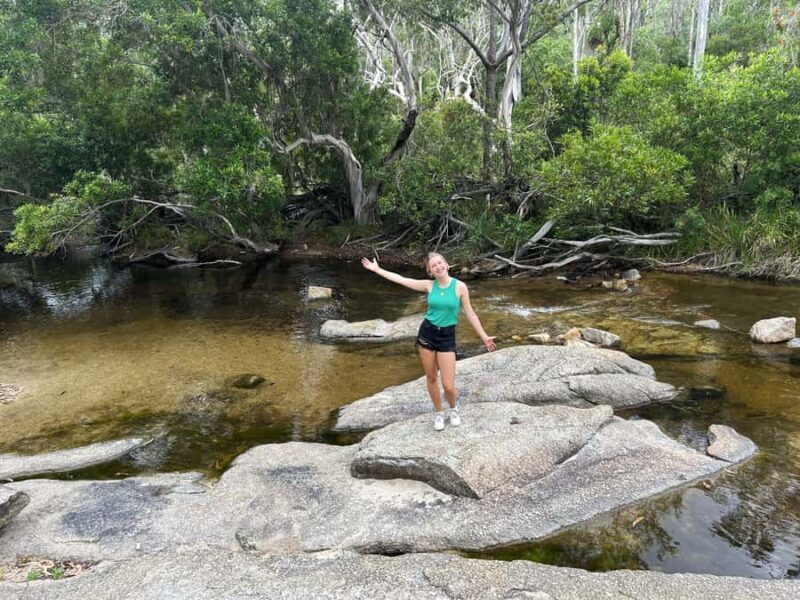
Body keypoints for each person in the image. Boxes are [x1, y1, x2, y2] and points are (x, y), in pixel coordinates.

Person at [361, 252, 496, 431]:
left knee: (448, 385)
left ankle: (453, 409)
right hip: (427, 334)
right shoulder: (429, 286)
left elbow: (470, 313)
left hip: (447, 336)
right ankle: (439, 412)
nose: (438, 267)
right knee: (431, 378)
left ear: (446, 265)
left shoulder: (460, 287)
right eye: (434, 266)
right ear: (430, 271)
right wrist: (377, 270)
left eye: (440, 263)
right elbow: (401, 279)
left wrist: (484, 336)